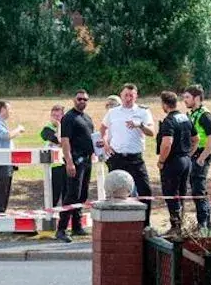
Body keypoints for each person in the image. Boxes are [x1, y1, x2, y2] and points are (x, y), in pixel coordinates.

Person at [101, 83, 155, 221]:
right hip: (117, 157)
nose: (128, 98)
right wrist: (106, 144)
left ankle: (145, 224)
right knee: (114, 191)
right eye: (126, 95)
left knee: (145, 191)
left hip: (135, 158)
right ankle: (115, 221)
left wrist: (140, 125)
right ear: (121, 95)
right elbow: (103, 128)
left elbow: (152, 132)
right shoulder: (113, 112)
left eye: (131, 95)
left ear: (136, 96)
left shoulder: (143, 112)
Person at [59, 90, 95, 242]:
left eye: (85, 99)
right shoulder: (68, 118)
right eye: (79, 99)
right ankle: (61, 230)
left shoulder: (87, 118)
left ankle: (77, 226)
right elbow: (65, 141)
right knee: (72, 194)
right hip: (75, 160)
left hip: (87, 161)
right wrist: (69, 162)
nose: (82, 101)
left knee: (82, 195)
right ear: (74, 100)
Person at [156, 91, 193, 236]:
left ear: (165, 104)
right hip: (186, 160)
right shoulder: (185, 117)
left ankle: (175, 226)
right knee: (181, 192)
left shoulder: (169, 121)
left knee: (170, 193)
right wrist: (188, 154)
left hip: (173, 162)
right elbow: (195, 139)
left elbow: (166, 144)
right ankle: (180, 224)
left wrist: (161, 161)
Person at [183, 84, 211, 231]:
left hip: (201, 155)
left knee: (199, 190)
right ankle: (204, 224)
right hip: (194, 154)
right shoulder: (192, 113)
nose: (184, 100)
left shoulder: (205, 115)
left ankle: (203, 224)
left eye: (187, 97)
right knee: (196, 190)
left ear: (196, 98)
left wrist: (201, 158)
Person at [0, 100, 25, 214]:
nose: (10, 112)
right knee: (1, 192)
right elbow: (6, 136)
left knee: (4, 191)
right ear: (2, 109)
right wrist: (18, 129)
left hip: (5, 162)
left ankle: (0, 216)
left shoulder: (0, 123)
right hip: (0, 163)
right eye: (9, 109)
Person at [40, 104, 66, 210]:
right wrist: (59, 126)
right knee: (53, 194)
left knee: (66, 193)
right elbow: (59, 141)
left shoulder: (67, 128)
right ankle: (50, 214)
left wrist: (60, 126)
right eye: (53, 115)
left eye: (58, 116)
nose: (55, 118)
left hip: (64, 164)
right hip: (52, 166)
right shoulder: (47, 129)